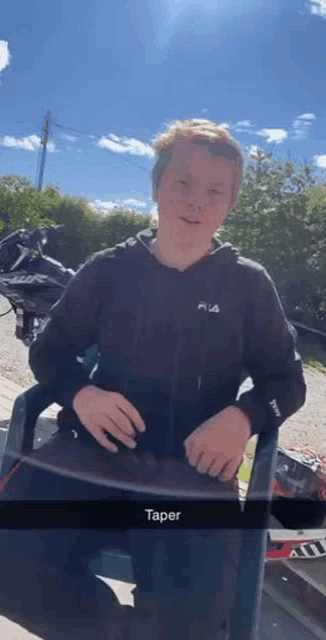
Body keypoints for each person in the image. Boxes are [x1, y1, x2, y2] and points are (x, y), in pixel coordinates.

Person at [0, 119, 306, 639]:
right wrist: (81, 393)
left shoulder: (247, 285)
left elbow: (287, 382)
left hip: (186, 477)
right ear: (158, 186)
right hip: (91, 459)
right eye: (183, 182)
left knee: (193, 614)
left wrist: (242, 417)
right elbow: (50, 352)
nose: (195, 201)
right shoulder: (108, 270)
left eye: (215, 191)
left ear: (230, 203)